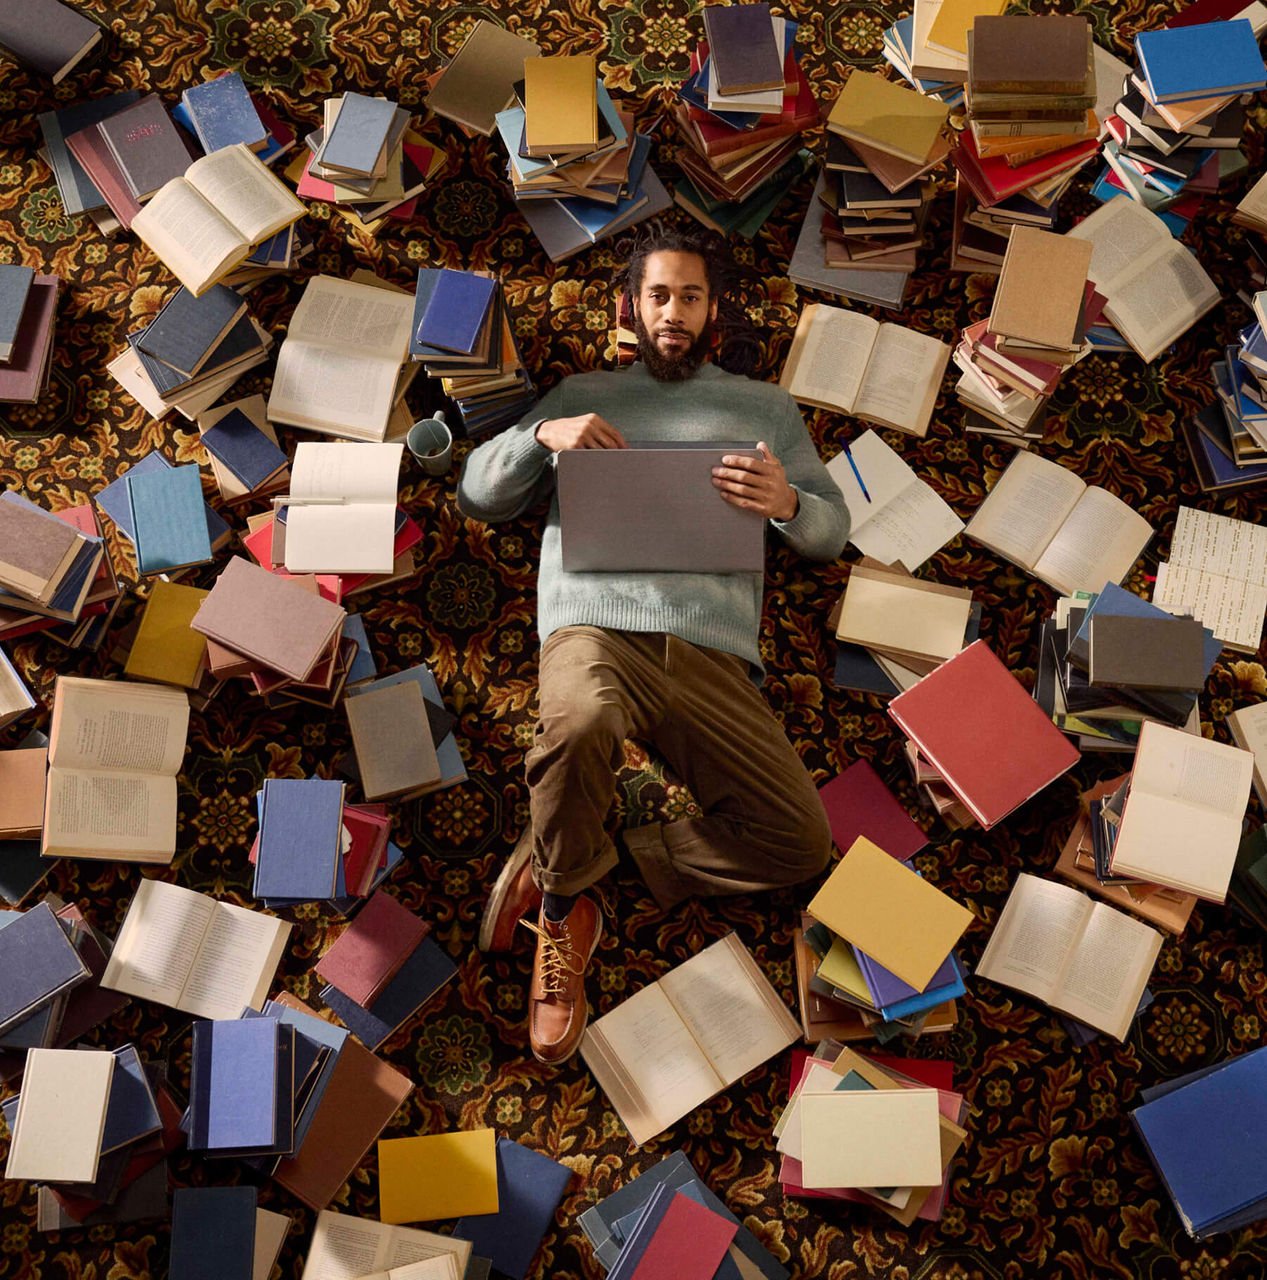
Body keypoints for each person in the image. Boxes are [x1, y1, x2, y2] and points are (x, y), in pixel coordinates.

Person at [456, 228, 850, 1065]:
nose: (674, 314)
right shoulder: (580, 391)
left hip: (709, 651)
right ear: (630, 307)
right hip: (594, 620)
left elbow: (829, 533)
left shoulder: (764, 408)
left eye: (691, 298)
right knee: (579, 721)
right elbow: (478, 496)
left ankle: (581, 852)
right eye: (659, 296)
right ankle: (562, 910)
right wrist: (539, 439)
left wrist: (786, 502)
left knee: (798, 843)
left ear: (714, 312)